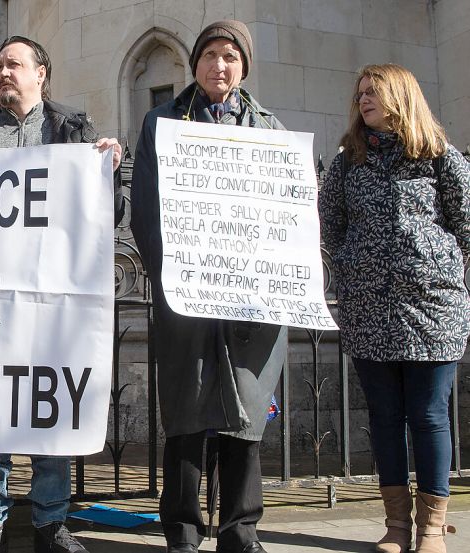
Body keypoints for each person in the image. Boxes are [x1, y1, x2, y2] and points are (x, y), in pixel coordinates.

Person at [0, 35, 124, 553]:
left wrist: (106, 173)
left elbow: (107, 216)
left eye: (14, 64)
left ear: (41, 73)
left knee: (48, 408)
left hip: (50, 298)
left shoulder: (72, 130)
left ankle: (49, 524)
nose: (4, 72)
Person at [129, 20, 287, 553]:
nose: (220, 66)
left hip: (250, 301)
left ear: (243, 67)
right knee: (188, 412)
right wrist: (170, 277)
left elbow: (282, 215)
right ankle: (182, 529)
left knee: (245, 414)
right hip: (186, 298)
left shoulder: (271, 129)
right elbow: (146, 210)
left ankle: (241, 530)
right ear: (193, 64)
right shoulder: (161, 122)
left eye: (230, 57)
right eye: (210, 55)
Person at [319, 63, 469, 553]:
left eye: (373, 92)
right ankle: (397, 526)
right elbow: (329, 223)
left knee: (428, 416)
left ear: (401, 96)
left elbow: (466, 224)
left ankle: (431, 529)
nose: (363, 100)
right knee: (384, 416)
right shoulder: (347, 163)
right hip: (368, 309)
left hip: (431, 308)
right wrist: (349, 262)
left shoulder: (439, 157)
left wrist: (435, 264)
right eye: (360, 93)